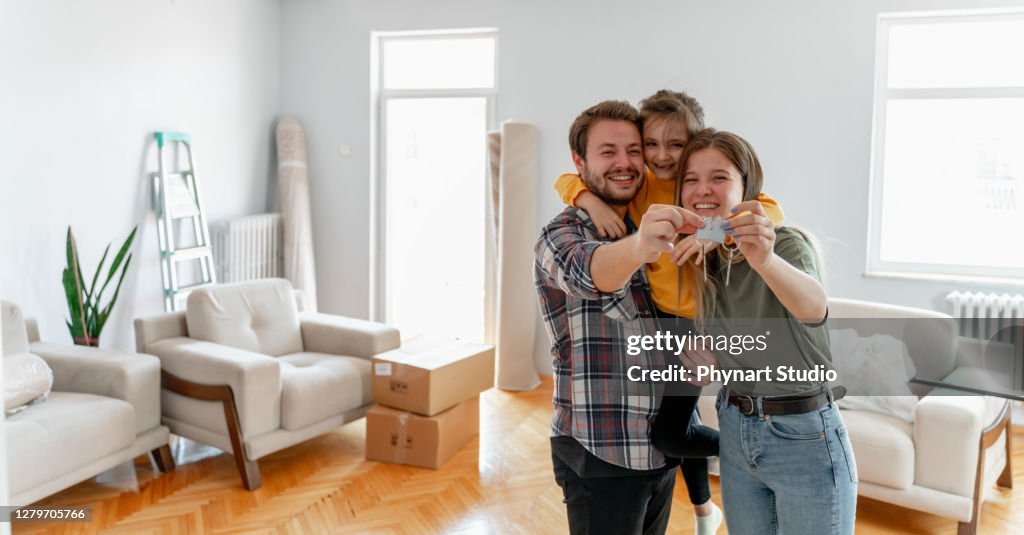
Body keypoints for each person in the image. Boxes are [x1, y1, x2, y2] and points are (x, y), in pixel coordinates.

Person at [553, 89, 785, 534]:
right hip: (662, 323)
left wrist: (714, 232)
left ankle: (752, 455)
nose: (661, 156)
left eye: (675, 145)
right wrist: (591, 202)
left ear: (694, 144)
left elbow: (769, 210)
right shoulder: (640, 191)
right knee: (677, 427)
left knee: (672, 434)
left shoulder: (704, 189)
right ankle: (704, 509)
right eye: (651, 145)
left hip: (697, 324)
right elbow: (566, 181)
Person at [534, 100, 707, 535]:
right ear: (580, 162)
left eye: (634, 150)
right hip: (602, 450)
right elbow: (589, 272)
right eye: (608, 151)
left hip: (660, 450)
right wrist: (637, 246)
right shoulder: (562, 232)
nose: (625, 162)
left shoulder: (653, 216)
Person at [677, 128, 857, 534]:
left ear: (746, 187)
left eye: (719, 177)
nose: (702, 189)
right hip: (736, 429)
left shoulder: (786, 244)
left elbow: (814, 307)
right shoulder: (706, 264)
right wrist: (706, 363)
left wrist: (764, 260)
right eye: (691, 179)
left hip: (803, 436)